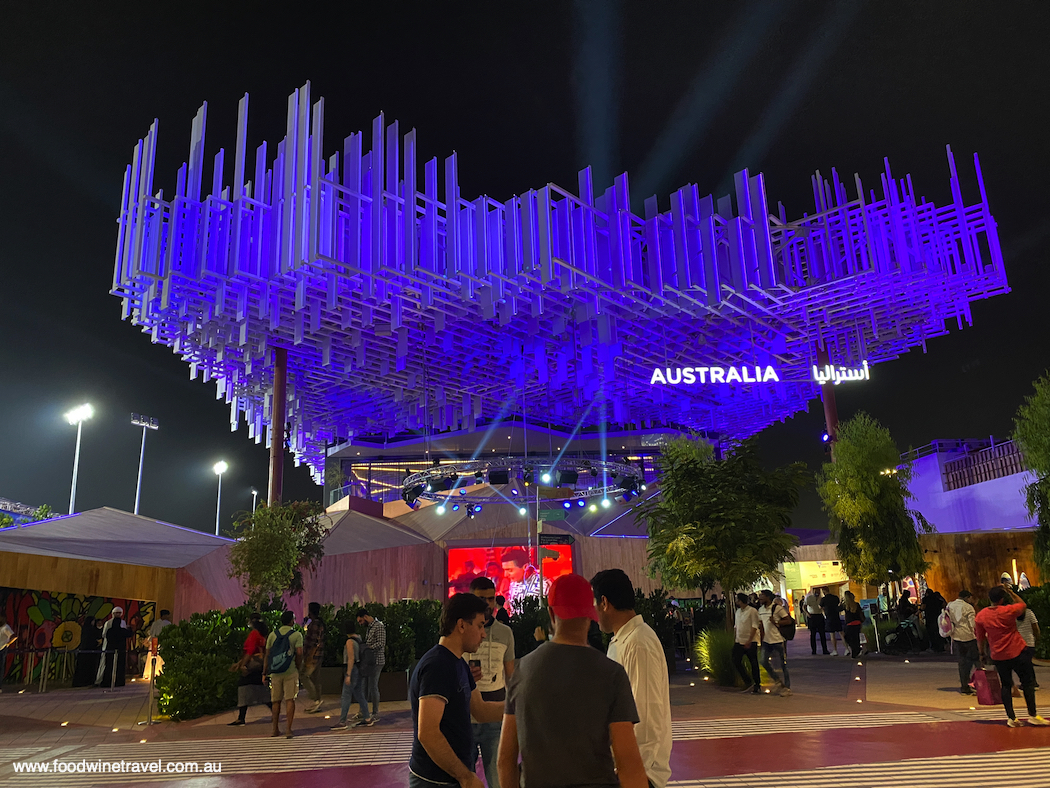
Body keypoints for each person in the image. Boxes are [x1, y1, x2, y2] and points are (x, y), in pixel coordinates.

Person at [497, 573, 648, 788]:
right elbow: (629, 764)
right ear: (591, 614)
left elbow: (505, 760)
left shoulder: (521, 670)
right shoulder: (611, 673)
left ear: (551, 613)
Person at [409, 593, 504, 788]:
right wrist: (465, 777)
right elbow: (427, 733)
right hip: (434, 781)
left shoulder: (458, 663)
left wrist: (521, 705)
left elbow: (481, 710)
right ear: (461, 625)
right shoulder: (438, 665)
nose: (483, 634)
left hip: (452, 777)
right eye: (479, 626)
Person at [592, 569, 673, 788]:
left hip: (639, 774)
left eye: (594, 604)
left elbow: (646, 716)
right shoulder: (621, 641)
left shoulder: (639, 644)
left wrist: (632, 775)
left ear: (605, 602)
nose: (593, 613)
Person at [975, 584, 1048, 727]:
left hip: (998, 655)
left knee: (1006, 685)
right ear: (1002, 599)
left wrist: (982, 654)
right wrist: (1010, 592)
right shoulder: (1008, 610)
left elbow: (980, 638)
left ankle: (1011, 718)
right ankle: (1032, 714)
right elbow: (1022, 605)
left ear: (989, 598)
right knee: (1027, 683)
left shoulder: (981, 615)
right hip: (1018, 651)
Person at [468, 576, 516, 788]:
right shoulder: (461, 631)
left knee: (497, 777)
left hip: (496, 716)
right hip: (465, 715)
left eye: (491, 598)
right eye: (481, 598)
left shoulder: (505, 633)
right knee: (465, 777)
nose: (487, 604)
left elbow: (511, 675)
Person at [263, 610, 304, 738]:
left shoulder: (272, 635)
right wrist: (298, 666)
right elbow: (299, 653)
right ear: (292, 621)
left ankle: (275, 729)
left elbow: (267, 655)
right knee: (290, 700)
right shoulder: (296, 635)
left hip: (275, 672)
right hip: (290, 670)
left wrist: (265, 672)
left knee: (276, 701)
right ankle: (288, 730)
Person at [229, 617, 272, 725]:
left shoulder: (254, 634)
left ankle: (241, 718)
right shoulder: (263, 635)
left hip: (252, 666)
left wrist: (242, 665)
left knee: (243, 687)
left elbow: (250, 651)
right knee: (261, 689)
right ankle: (274, 710)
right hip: (259, 665)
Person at [331, 620, 371, 729]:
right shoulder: (358, 638)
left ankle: (342, 721)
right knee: (359, 694)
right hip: (359, 669)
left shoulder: (349, 642)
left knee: (346, 695)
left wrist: (348, 675)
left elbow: (351, 658)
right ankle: (367, 717)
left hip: (352, 670)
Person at [757, 590, 792, 697]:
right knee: (763, 661)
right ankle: (777, 680)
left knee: (783, 665)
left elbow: (788, 621)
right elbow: (761, 625)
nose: (760, 598)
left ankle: (787, 688)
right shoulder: (761, 609)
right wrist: (760, 640)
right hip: (766, 641)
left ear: (768, 597)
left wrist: (776, 622)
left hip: (778, 640)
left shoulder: (777, 608)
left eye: (762, 596)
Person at [356, 607, 386, 721]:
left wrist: (369, 648)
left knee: (373, 686)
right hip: (369, 661)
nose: (360, 623)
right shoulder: (370, 627)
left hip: (377, 660)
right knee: (365, 686)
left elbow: (381, 643)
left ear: (365, 617)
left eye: (360, 621)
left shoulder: (378, 626)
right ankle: (363, 711)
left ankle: (375, 712)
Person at [948, 590, 979, 695]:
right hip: (969, 637)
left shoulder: (950, 605)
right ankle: (980, 684)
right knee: (976, 660)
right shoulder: (968, 607)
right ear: (967, 597)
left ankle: (964, 686)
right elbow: (973, 624)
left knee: (962, 663)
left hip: (956, 636)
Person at [500, 548, 549, 614]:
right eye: (504, 570)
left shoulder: (543, 585)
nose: (505, 575)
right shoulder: (513, 583)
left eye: (510, 570)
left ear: (525, 567)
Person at [732, 593, 762, 694]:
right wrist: (735, 638)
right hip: (739, 640)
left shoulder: (752, 611)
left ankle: (757, 685)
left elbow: (754, 626)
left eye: (738, 600)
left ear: (741, 601)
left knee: (753, 663)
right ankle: (748, 681)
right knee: (736, 660)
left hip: (750, 641)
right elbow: (736, 626)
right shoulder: (738, 612)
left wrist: (749, 640)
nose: (737, 602)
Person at [95, 607, 132, 687]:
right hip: (110, 646)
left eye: (119, 613)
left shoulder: (122, 622)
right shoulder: (108, 623)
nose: (118, 614)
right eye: (116, 613)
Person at [301, 602, 326, 714]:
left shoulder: (315, 624)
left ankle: (316, 699)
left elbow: (315, 643)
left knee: (303, 675)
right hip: (318, 655)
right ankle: (317, 702)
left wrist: (309, 657)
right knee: (315, 678)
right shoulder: (319, 623)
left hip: (313, 656)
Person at [1015, 605, 1041, 691]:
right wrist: (1037, 638)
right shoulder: (1029, 612)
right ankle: (1032, 682)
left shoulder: (1012, 614)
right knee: (1028, 663)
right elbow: (1035, 627)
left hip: (1018, 642)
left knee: (1022, 664)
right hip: (1029, 642)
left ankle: (1028, 683)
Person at [73, 617, 101, 687]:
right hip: (89, 651)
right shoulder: (89, 629)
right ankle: (87, 681)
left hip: (85, 651)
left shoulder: (85, 629)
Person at [804, 588, 828, 655]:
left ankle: (825, 650)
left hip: (819, 616)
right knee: (813, 634)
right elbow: (804, 606)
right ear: (813, 591)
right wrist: (807, 613)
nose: (816, 592)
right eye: (815, 591)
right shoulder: (809, 598)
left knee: (822, 634)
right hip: (812, 616)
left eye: (817, 591)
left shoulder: (821, 598)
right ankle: (814, 650)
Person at [842, 591, 864, 659]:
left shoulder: (845, 606)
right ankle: (856, 652)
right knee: (856, 638)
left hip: (850, 624)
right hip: (857, 623)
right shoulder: (856, 604)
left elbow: (838, 609)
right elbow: (860, 613)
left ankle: (856, 651)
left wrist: (841, 601)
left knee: (847, 638)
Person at [820, 589, 843, 656]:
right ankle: (847, 649)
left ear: (824, 592)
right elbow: (838, 605)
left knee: (832, 635)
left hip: (829, 617)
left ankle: (835, 650)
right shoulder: (835, 597)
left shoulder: (824, 599)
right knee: (841, 633)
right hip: (836, 617)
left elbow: (820, 606)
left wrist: (824, 610)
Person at [0, 613, 14, 691]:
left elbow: (13, 636)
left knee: (1, 668)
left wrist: (7, 644)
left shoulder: (5, 627)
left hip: (2, 648)